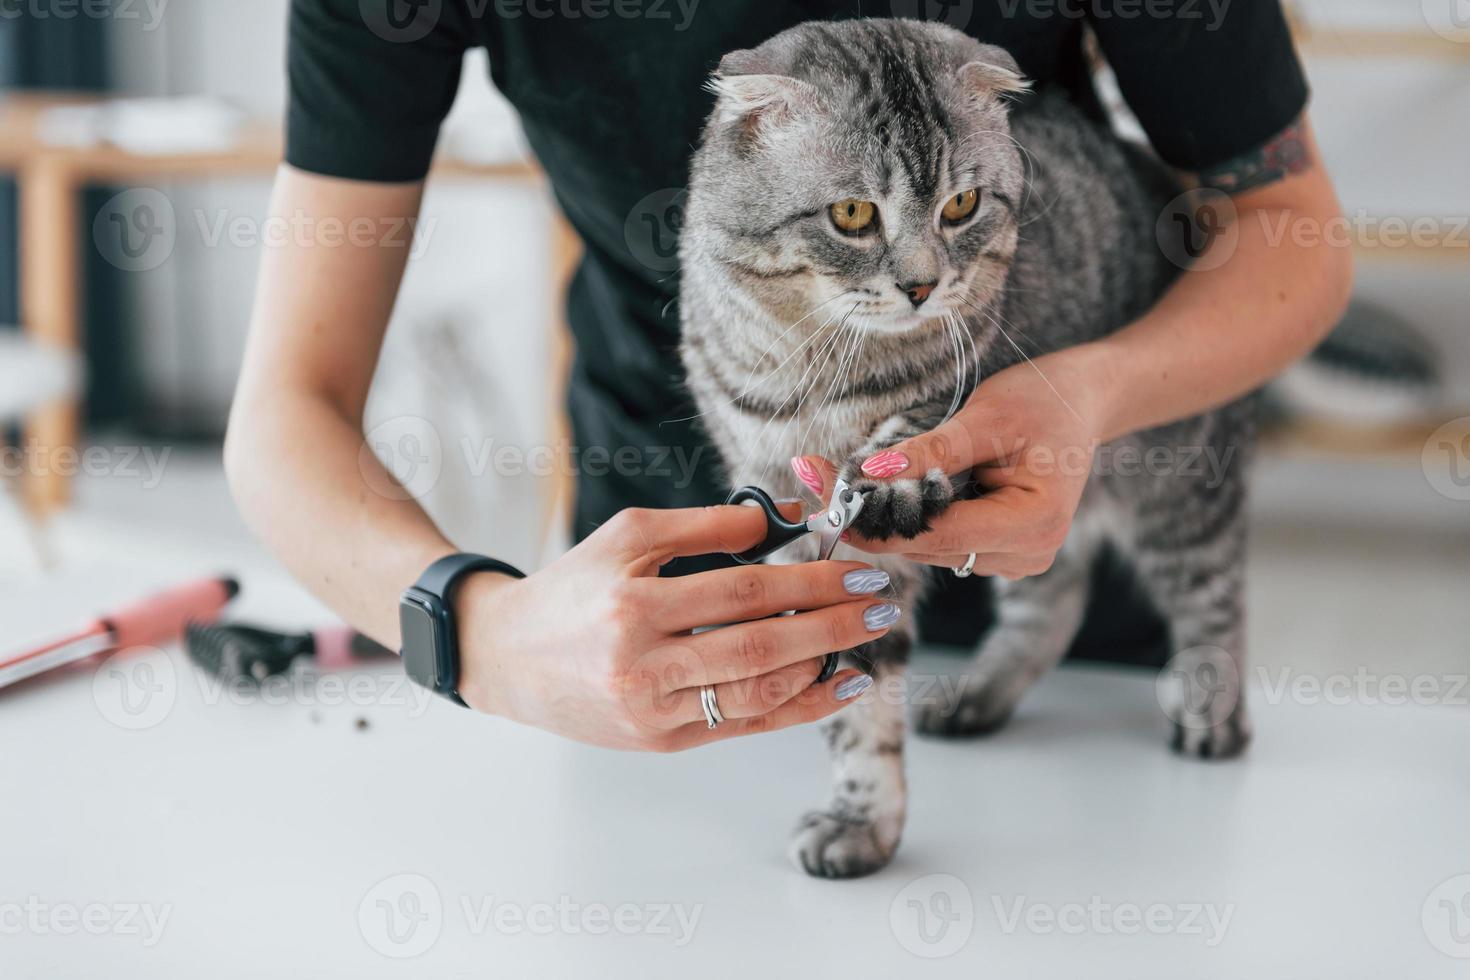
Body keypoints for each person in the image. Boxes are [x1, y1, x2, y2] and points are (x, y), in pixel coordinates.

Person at [225, 0, 1353, 750]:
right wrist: (485, 636)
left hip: (1059, 541)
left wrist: (1085, 399)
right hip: (667, 612)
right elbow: (288, 409)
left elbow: (1293, 239)